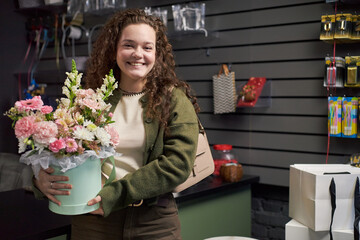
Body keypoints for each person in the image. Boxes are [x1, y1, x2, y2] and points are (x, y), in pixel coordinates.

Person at [33, 8, 200, 240]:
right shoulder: (91, 98)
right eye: (129, 45)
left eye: (147, 47)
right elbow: (60, 149)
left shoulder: (174, 100)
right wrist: (40, 177)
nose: (138, 54)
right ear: (114, 50)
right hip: (93, 220)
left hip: (154, 223)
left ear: (157, 53)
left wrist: (116, 194)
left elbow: (178, 164)